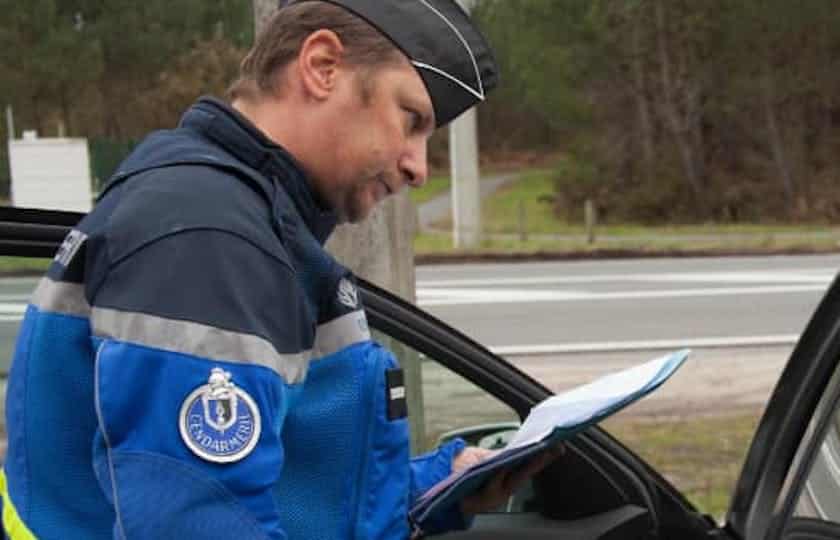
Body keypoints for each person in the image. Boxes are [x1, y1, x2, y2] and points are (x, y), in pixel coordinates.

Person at [0, 1, 554, 538]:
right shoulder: (210, 239)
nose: (418, 166)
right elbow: (199, 519)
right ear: (322, 67)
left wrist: (436, 486)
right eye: (410, 120)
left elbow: (288, 488)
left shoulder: (247, 225)